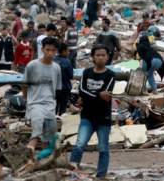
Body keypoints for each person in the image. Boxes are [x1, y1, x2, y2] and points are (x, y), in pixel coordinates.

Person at [70, 44, 115, 178]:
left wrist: (88, 97)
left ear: (107, 57)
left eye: (103, 55)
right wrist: (98, 95)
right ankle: (72, 173)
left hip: (104, 118)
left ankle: (101, 176)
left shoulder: (111, 75)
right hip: (87, 116)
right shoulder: (87, 72)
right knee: (79, 145)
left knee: (103, 149)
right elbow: (81, 90)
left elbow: (106, 96)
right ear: (93, 57)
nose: (100, 58)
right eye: (98, 55)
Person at [24, 37, 62, 160]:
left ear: (56, 51)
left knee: (49, 137)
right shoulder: (32, 66)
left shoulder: (56, 68)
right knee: (36, 132)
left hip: (50, 105)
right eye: (47, 50)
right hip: (35, 104)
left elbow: (57, 88)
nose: (50, 53)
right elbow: (25, 85)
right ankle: (29, 155)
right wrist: (28, 102)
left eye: (53, 50)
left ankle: (43, 162)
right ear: (42, 49)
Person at [54, 43, 73, 116]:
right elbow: (70, 76)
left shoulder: (53, 60)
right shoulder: (67, 62)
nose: (68, 52)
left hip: (54, 88)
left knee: (54, 106)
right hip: (64, 88)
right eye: (67, 51)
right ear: (63, 51)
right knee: (62, 108)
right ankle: (60, 121)